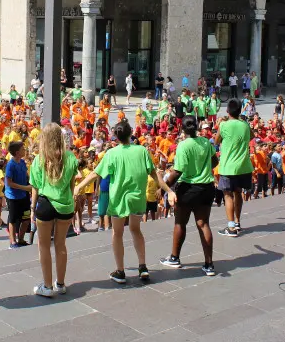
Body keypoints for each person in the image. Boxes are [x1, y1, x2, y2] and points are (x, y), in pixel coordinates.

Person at [77, 121, 154, 283]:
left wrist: (79, 187)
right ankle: (143, 267)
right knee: (136, 230)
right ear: (131, 133)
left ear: (116, 137)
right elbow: (153, 173)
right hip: (137, 198)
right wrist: (168, 190)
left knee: (117, 233)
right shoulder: (142, 150)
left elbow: (96, 174)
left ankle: (120, 271)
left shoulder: (111, 154)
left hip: (119, 199)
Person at [158, 116, 219, 276]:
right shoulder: (206, 142)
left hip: (187, 188)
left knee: (180, 223)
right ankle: (209, 264)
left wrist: (165, 188)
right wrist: (202, 169)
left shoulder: (183, 145)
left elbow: (177, 171)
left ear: (183, 129)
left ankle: (174, 258)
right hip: (206, 187)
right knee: (203, 224)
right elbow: (214, 162)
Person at [29, 123, 78, 297]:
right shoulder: (71, 158)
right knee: (61, 244)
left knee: (43, 246)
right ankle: (61, 283)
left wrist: (33, 209)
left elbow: (35, 187)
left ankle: (47, 286)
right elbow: (72, 185)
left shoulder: (39, 159)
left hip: (45, 203)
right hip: (65, 205)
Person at [215, 99, 254, 236]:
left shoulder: (224, 125)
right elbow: (252, 136)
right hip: (244, 165)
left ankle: (231, 228)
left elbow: (216, 140)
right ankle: (237, 222)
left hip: (228, 166)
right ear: (240, 110)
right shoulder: (245, 125)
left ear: (227, 111)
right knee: (238, 192)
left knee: (228, 195)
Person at [5, 141, 31, 249]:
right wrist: (25, 188)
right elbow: (9, 182)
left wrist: (29, 184)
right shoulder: (10, 165)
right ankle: (13, 242)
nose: (24, 150)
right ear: (17, 152)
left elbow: (26, 175)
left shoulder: (22, 162)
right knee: (13, 219)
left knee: (26, 218)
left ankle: (21, 239)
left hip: (23, 195)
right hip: (13, 197)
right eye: (22, 149)